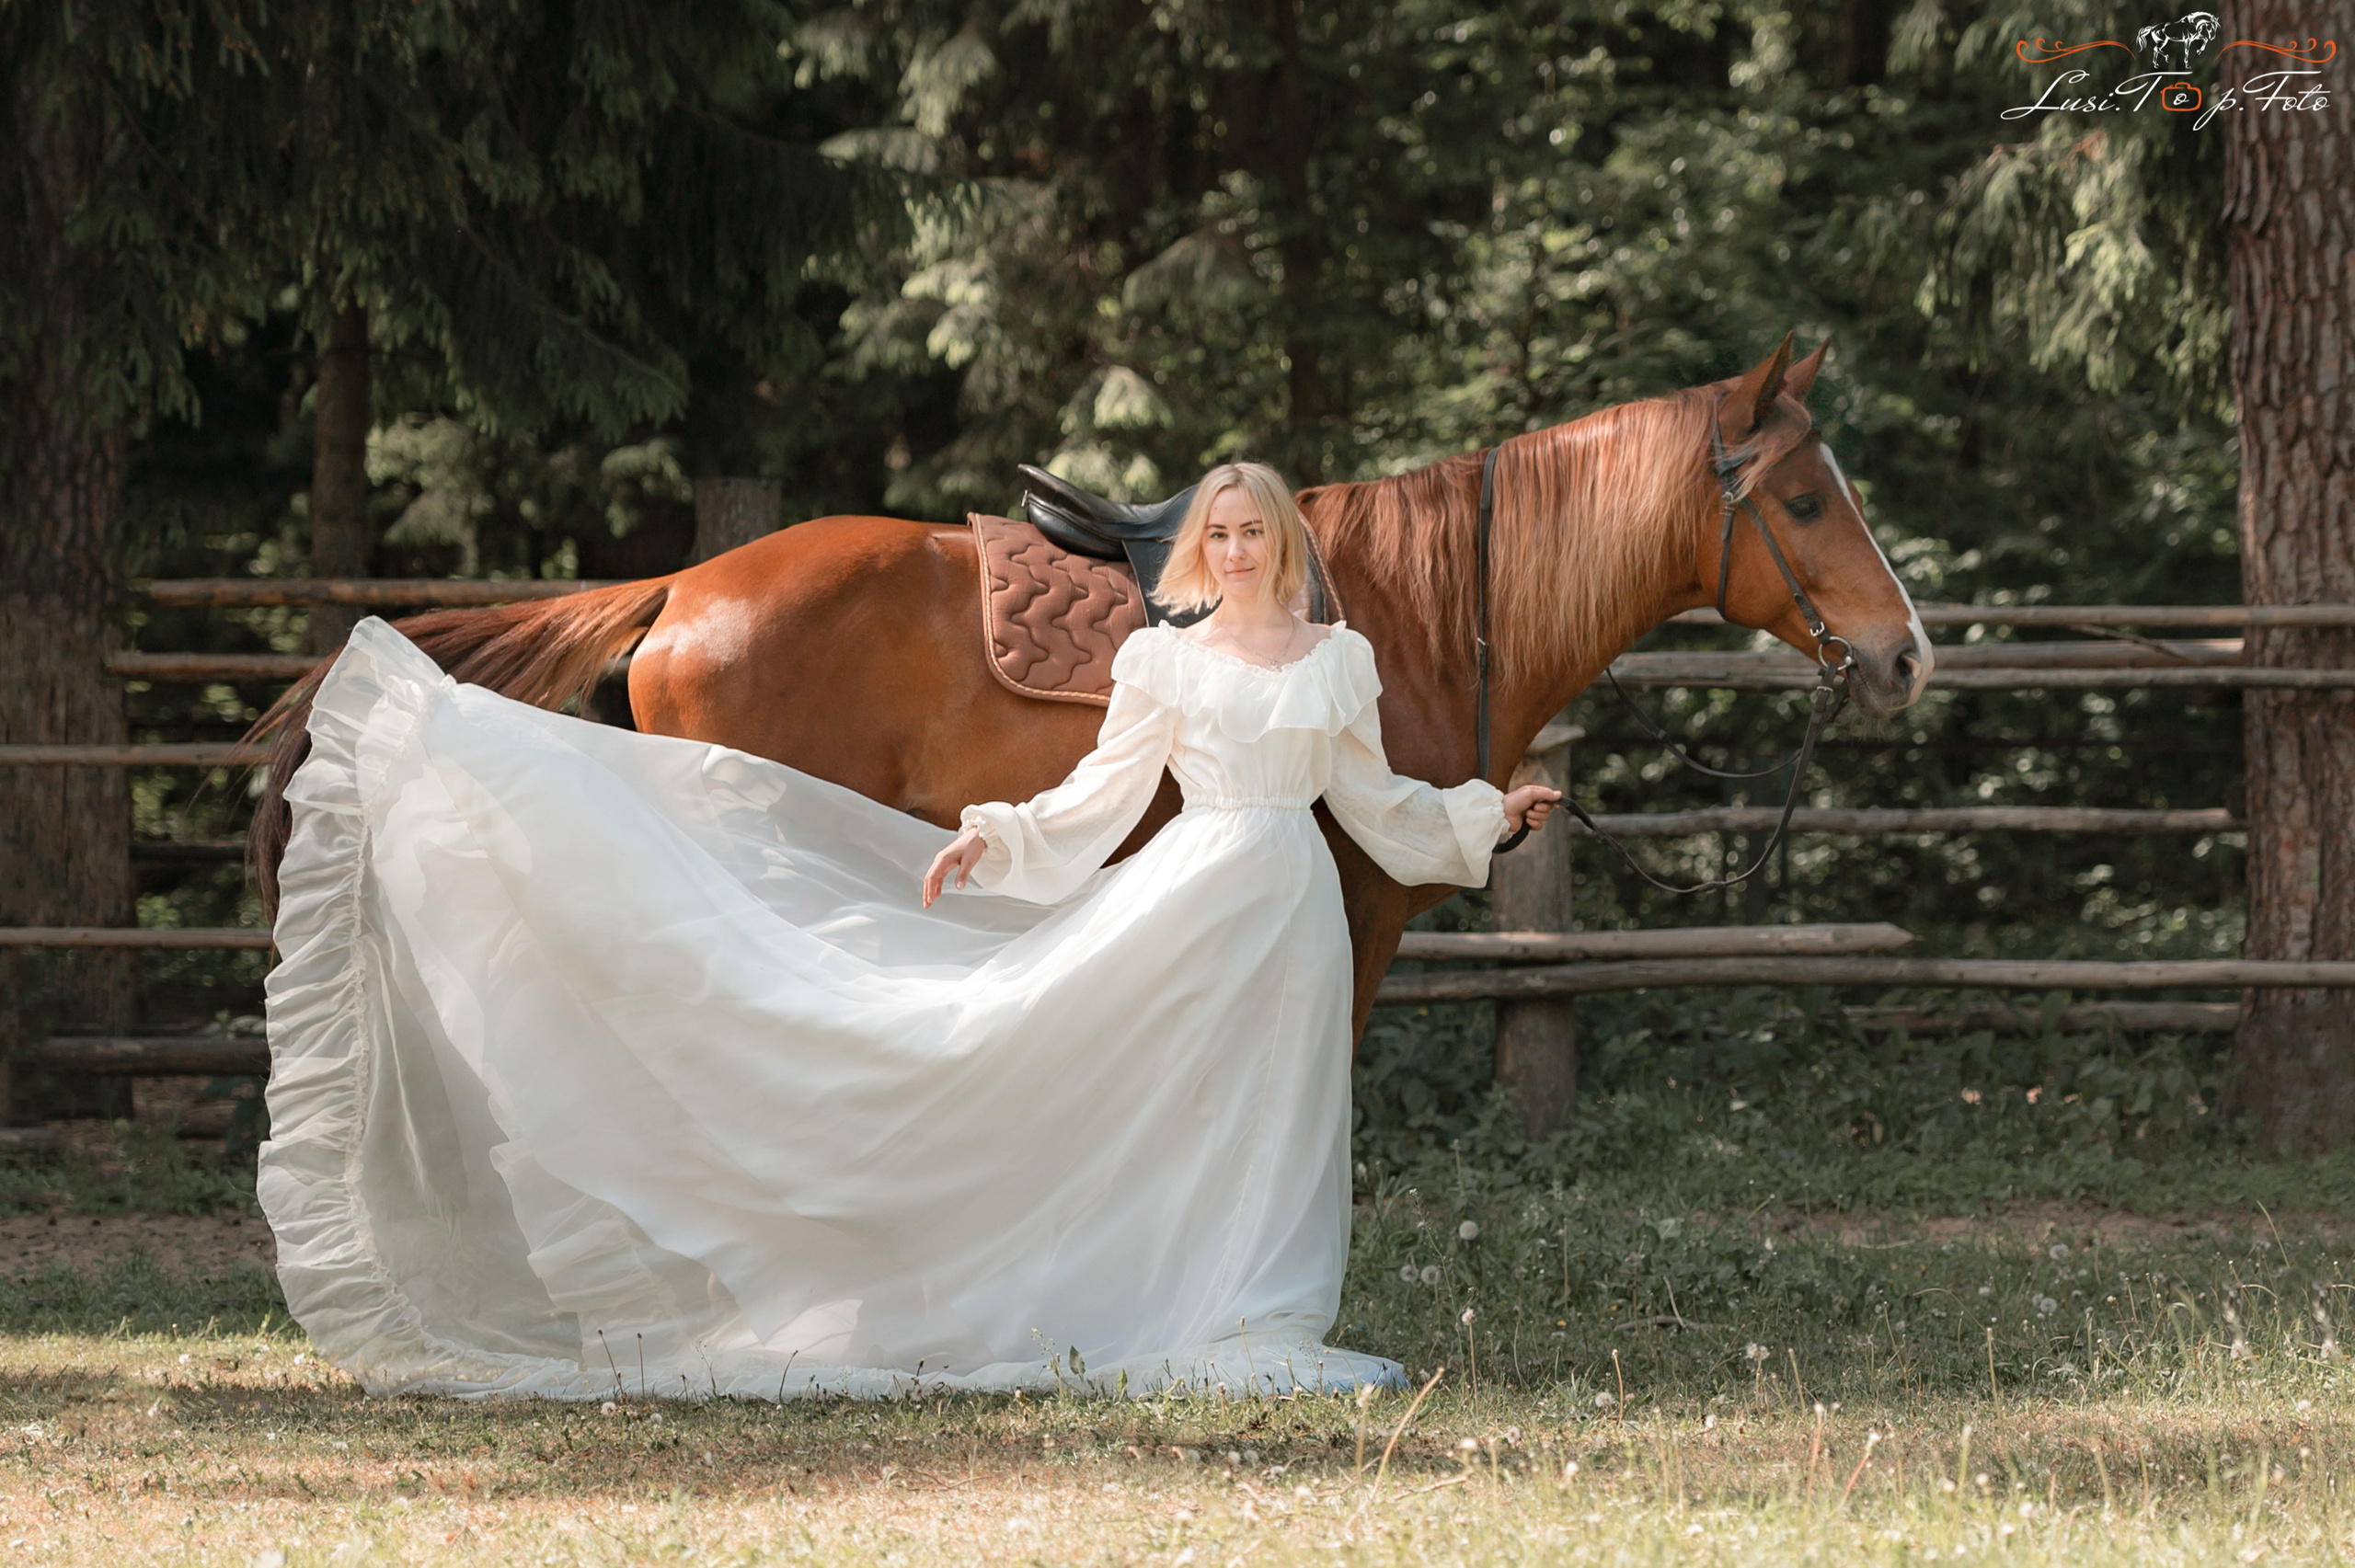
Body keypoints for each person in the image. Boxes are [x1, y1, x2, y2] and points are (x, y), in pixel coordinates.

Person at [261, 461, 1559, 1402]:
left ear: (1282, 543)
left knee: (1283, 1106)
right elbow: (1106, 794)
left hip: (1291, 905)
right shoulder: (1165, 662)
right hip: (1202, 888)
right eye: (1214, 532)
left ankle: (1262, 1306)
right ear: (1197, 548)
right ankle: (1168, 1299)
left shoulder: (1339, 660)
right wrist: (1000, 833)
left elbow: (1375, 802)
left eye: (1250, 531)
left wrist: (1483, 817)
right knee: (1159, 1096)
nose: (1231, 549)